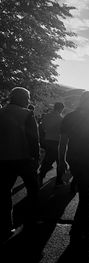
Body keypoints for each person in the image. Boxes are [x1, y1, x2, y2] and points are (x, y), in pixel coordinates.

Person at [58, 91, 89, 240]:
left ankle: (79, 225)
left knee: (82, 190)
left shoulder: (69, 117)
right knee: (87, 193)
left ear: (81, 100)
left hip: (74, 158)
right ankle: (79, 226)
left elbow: (63, 142)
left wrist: (62, 160)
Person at [0, 87, 40, 243]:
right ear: (23, 98)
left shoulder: (1, 112)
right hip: (23, 158)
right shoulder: (27, 114)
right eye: (28, 97)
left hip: (3, 159)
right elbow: (33, 140)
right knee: (33, 189)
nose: (29, 100)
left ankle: (6, 224)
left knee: (4, 192)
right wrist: (36, 158)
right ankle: (31, 220)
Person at [38, 102, 65, 187]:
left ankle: (42, 176)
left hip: (48, 139)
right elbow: (62, 131)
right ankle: (58, 180)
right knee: (58, 160)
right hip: (57, 141)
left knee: (48, 158)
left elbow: (43, 127)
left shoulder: (46, 116)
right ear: (61, 109)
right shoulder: (61, 118)